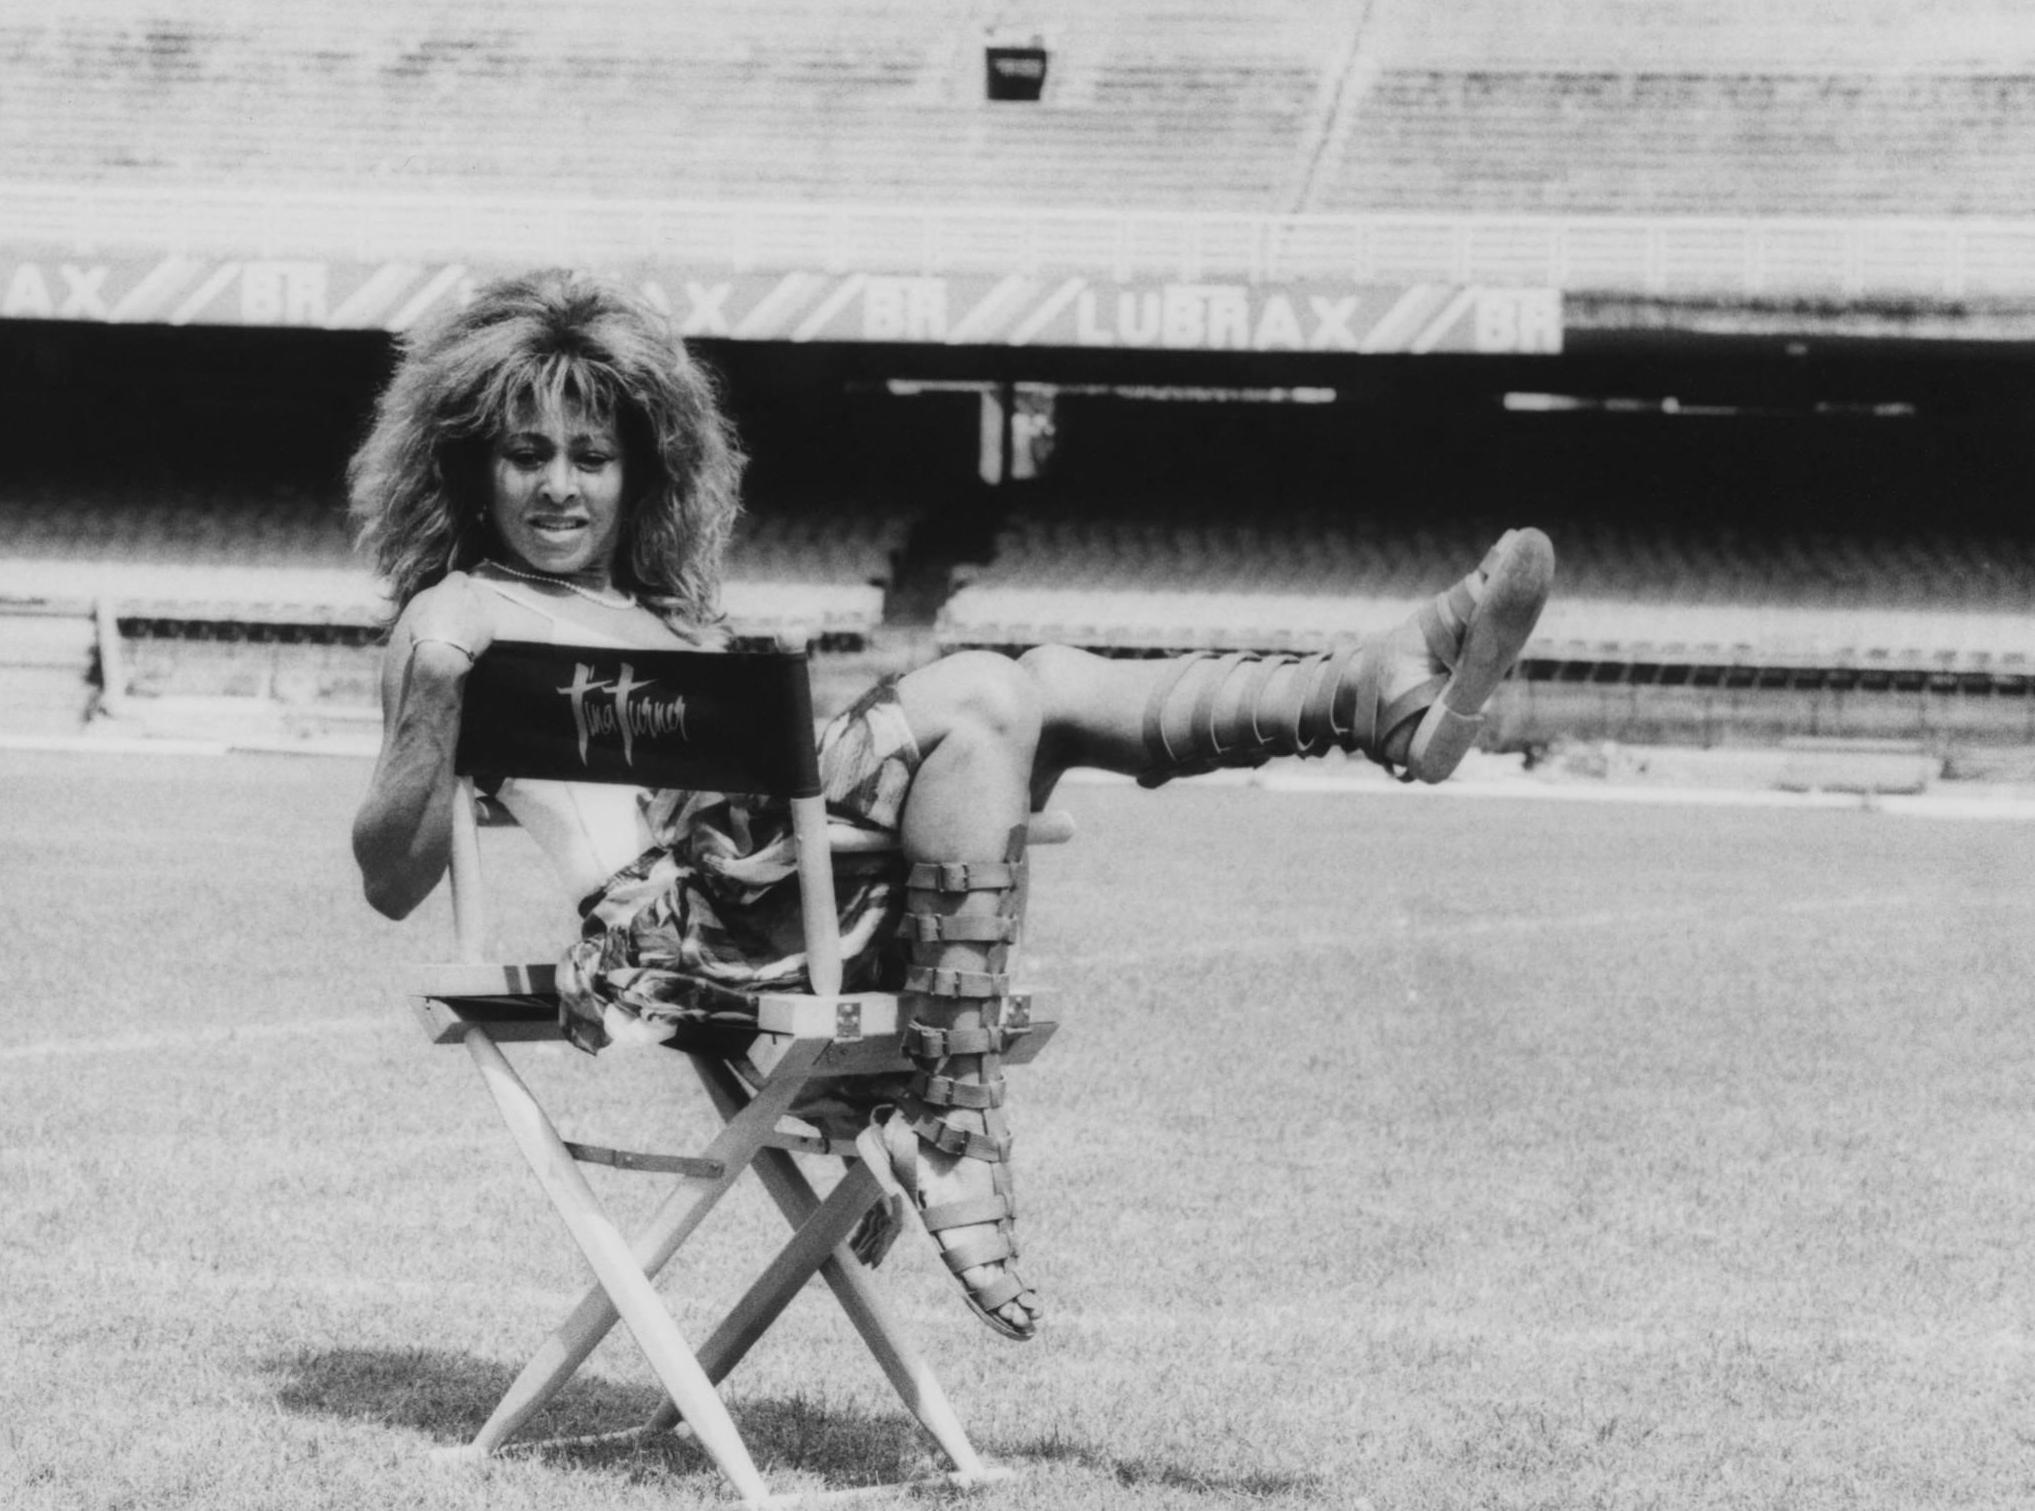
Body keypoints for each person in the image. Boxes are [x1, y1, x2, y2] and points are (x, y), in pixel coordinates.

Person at [350, 270, 1554, 1343]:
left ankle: (1374, 694)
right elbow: (391, 877)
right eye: (526, 453)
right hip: (678, 934)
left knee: (1048, 679)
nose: (560, 483)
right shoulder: (459, 613)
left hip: (783, 888)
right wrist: (433, 699)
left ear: (638, 471)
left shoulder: (663, 619)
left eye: (590, 453)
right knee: (981, 689)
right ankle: (951, 1118)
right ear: (472, 466)